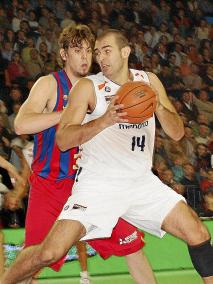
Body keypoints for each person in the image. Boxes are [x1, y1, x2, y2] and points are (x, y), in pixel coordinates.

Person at [3, 28, 213, 283]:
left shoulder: (148, 81)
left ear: (125, 52)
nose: (98, 57)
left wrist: (156, 105)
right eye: (96, 52)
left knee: (194, 233)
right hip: (89, 185)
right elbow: (56, 137)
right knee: (48, 252)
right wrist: (100, 120)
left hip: (140, 183)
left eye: (103, 51)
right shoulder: (83, 86)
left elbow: (178, 133)